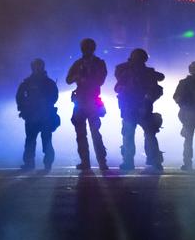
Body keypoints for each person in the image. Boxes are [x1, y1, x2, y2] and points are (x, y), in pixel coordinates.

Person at [115, 48, 165, 171]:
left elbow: (118, 87)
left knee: (131, 136)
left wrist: (148, 98)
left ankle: (130, 161)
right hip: (138, 108)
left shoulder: (130, 72)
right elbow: (118, 88)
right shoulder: (142, 73)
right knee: (145, 135)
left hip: (137, 108)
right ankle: (153, 160)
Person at [66, 38, 109, 171]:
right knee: (81, 133)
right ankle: (85, 161)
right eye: (85, 47)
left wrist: (88, 78)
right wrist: (78, 77)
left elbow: (101, 80)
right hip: (80, 100)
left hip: (92, 99)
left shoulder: (98, 63)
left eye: (88, 47)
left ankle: (102, 161)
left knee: (95, 132)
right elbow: (68, 79)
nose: (86, 49)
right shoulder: (78, 63)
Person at [16, 59, 59, 170]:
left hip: (43, 115)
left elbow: (54, 97)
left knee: (44, 139)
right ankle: (32, 163)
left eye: (38, 66)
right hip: (33, 115)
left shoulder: (45, 82)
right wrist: (23, 109)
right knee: (32, 140)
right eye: (36, 66)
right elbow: (19, 96)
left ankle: (45, 163)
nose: (37, 68)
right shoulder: (29, 82)